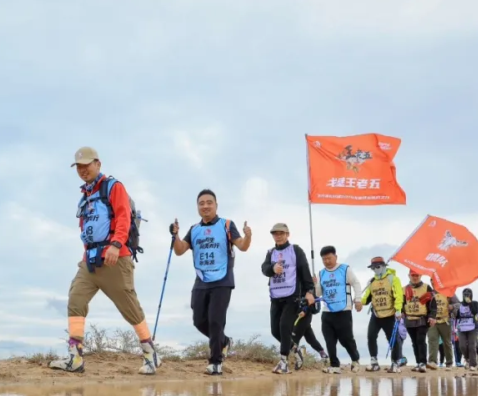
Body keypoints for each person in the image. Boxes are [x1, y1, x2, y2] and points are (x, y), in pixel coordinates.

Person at [49, 147, 160, 375]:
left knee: (129, 306)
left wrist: (117, 244)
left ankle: (150, 353)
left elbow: (123, 215)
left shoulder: (113, 186)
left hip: (115, 258)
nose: (83, 170)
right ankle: (75, 357)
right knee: (75, 299)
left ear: (98, 164)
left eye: (86, 165)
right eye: (79, 166)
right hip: (90, 262)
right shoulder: (85, 196)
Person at [170, 189, 251, 375]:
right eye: (201, 203)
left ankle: (216, 362)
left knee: (216, 320)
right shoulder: (195, 229)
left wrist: (248, 236)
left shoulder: (227, 225)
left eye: (209, 202)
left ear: (216, 205)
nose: (205, 206)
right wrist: (175, 236)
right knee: (199, 320)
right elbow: (180, 250)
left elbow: (243, 246)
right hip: (201, 279)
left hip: (223, 280)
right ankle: (223, 341)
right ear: (198, 206)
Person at [260, 223, 317, 374]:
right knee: (275, 330)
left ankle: (283, 362)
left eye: (281, 233)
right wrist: (272, 269)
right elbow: (264, 268)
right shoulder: (271, 252)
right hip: (276, 296)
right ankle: (296, 350)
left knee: (285, 326)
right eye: (275, 233)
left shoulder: (296, 250)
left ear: (287, 234)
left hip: (293, 296)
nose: (278, 236)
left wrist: (310, 291)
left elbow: (305, 270)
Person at [315, 246, 363, 374]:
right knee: (329, 339)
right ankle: (334, 365)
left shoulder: (345, 269)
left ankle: (355, 360)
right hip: (327, 311)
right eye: (324, 259)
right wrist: (315, 284)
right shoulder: (321, 273)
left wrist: (358, 299)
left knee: (346, 339)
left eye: (329, 258)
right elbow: (318, 293)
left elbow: (356, 284)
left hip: (343, 309)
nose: (327, 261)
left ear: (335, 257)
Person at [360, 256, 404, 373]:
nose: (375, 270)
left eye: (378, 267)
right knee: (371, 336)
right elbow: (366, 298)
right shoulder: (372, 282)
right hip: (376, 314)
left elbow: (398, 295)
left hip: (390, 314)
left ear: (384, 266)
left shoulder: (393, 279)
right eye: (373, 268)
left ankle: (395, 363)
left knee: (393, 339)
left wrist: (398, 309)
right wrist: (358, 301)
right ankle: (374, 362)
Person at [426, 285, 458, 370]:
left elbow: (458, 304)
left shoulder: (449, 292)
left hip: (445, 321)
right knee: (432, 340)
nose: (433, 283)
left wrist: (452, 306)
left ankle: (449, 362)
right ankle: (433, 361)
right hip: (433, 320)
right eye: (432, 281)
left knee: (447, 342)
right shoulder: (429, 293)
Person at [451, 288, 478, 370]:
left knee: (472, 345)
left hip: (472, 327)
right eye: (465, 294)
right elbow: (456, 316)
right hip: (462, 327)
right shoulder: (459, 304)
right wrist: (453, 312)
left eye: (468, 294)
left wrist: (469, 303)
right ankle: (467, 359)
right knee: (462, 346)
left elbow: (475, 312)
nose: (467, 295)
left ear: (471, 295)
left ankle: (473, 364)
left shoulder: (475, 303)